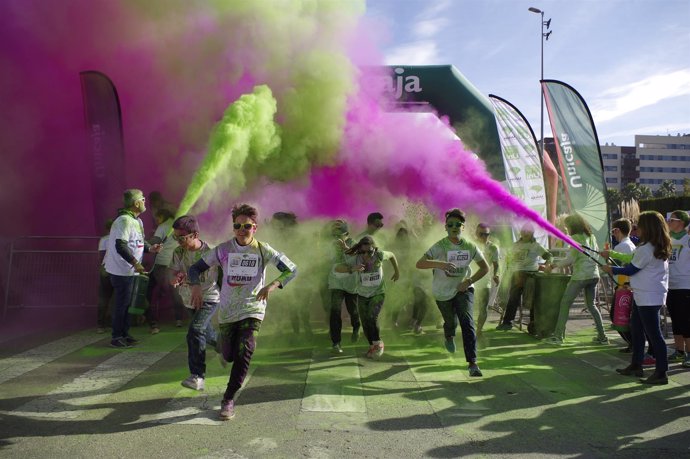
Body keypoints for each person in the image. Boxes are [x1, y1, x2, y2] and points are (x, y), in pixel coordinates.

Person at [188, 204, 297, 420]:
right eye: (237, 225)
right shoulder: (223, 250)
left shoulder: (264, 250)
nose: (241, 229)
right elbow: (194, 269)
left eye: (246, 226)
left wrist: (272, 285)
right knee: (229, 354)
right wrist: (195, 286)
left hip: (253, 308)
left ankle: (228, 399)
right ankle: (220, 346)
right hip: (228, 311)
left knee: (246, 348)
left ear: (254, 227)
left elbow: (291, 269)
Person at [416, 209, 489, 377]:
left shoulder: (470, 246)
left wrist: (468, 282)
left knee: (467, 321)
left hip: (464, 289)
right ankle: (448, 335)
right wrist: (441, 265)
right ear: (446, 227)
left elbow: (485, 268)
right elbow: (420, 263)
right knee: (451, 322)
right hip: (442, 292)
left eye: (458, 224)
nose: (454, 227)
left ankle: (472, 363)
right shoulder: (440, 246)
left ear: (463, 228)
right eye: (450, 225)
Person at [602, 211, 671, 385]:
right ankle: (636, 365)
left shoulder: (646, 248)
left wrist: (612, 269)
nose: (635, 228)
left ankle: (661, 372)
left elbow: (631, 269)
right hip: (646, 294)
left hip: (647, 296)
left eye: (638, 225)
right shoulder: (653, 245)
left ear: (647, 227)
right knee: (637, 331)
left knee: (654, 335)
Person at [169, 215, 221, 391]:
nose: (178, 241)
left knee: (195, 330)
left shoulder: (211, 251)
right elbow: (173, 272)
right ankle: (223, 345)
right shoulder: (178, 252)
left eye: (182, 238)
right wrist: (175, 277)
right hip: (188, 299)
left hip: (209, 297)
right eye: (175, 237)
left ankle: (197, 376)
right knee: (206, 334)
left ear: (195, 234)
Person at [103, 189, 160, 348]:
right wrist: (136, 262)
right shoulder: (124, 221)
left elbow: (139, 242)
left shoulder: (137, 221)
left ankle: (125, 334)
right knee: (122, 304)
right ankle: (116, 336)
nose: (144, 202)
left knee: (128, 304)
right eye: (142, 199)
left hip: (131, 271)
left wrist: (151, 248)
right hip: (121, 271)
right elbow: (120, 245)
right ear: (136, 203)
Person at [543, 214, 607, 345]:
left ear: (572, 226)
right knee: (592, 306)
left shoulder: (576, 238)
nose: (567, 228)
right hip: (594, 275)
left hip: (580, 276)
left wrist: (554, 265)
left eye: (567, 226)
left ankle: (558, 336)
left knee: (565, 303)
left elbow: (570, 259)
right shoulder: (592, 236)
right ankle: (603, 337)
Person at [335, 235, 399, 359]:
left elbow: (391, 255)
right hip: (363, 294)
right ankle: (372, 345)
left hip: (378, 293)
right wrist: (353, 268)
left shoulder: (379, 255)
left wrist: (397, 271)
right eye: (362, 251)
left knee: (372, 317)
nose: (365, 255)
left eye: (369, 252)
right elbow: (338, 268)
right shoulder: (356, 258)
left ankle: (378, 343)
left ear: (374, 249)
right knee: (365, 323)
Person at [497, 225, 552, 331]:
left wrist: (547, 265)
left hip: (530, 275)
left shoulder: (536, 246)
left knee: (532, 301)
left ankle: (533, 324)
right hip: (516, 275)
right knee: (513, 299)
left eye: (528, 231)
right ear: (521, 232)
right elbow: (509, 260)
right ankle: (508, 322)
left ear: (532, 233)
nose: (525, 233)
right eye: (524, 231)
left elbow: (549, 256)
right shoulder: (515, 245)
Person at [146, 208, 185, 332]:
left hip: (162, 265)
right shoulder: (179, 226)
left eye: (157, 218)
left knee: (154, 293)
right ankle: (179, 319)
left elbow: (155, 241)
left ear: (162, 216)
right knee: (175, 292)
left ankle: (154, 323)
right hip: (175, 264)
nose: (156, 221)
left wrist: (143, 243)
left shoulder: (163, 226)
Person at [326, 220, 360, 353]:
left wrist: (346, 249)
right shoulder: (330, 245)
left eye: (339, 233)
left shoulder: (354, 244)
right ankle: (336, 343)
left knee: (353, 310)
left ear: (346, 233)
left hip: (351, 282)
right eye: (334, 233)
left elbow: (360, 259)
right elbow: (331, 262)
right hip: (336, 282)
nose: (336, 236)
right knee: (335, 311)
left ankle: (356, 326)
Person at [665, 210, 690, 368]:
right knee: (675, 321)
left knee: (686, 322)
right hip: (670, 286)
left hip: (685, 286)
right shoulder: (669, 240)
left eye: (671, 220)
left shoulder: (688, 240)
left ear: (680, 222)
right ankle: (679, 350)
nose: (668, 222)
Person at [609, 218, 637, 352]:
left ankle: (633, 343)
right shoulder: (630, 244)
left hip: (623, 285)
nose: (613, 234)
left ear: (618, 230)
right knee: (625, 316)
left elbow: (614, 266)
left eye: (613, 231)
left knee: (617, 315)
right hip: (627, 285)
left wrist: (607, 261)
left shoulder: (621, 246)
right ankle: (633, 343)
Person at [474, 223, 501, 337]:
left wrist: (496, 275)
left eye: (487, 234)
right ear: (476, 234)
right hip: (470, 280)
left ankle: (479, 330)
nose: (484, 237)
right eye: (481, 234)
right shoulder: (471, 244)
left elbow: (497, 264)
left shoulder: (493, 247)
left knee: (483, 306)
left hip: (485, 281)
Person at [97, 219, 114, 334]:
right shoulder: (121, 238)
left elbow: (101, 255)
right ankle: (115, 323)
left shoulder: (104, 239)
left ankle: (101, 325)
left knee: (104, 297)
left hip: (106, 268)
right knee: (118, 298)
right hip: (119, 270)